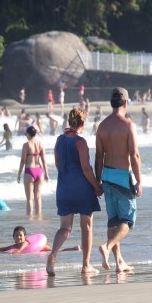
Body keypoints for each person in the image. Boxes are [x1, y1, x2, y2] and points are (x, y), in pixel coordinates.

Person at [47, 108, 102, 276]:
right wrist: (97, 186)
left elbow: (57, 164)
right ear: (82, 123)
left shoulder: (59, 140)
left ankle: (53, 255)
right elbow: (86, 169)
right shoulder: (81, 142)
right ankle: (86, 265)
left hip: (64, 188)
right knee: (86, 226)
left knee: (64, 228)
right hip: (82, 188)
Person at [95, 87, 143, 273]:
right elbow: (134, 155)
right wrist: (139, 181)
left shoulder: (102, 126)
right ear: (125, 103)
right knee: (128, 221)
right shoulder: (128, 125)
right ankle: (107, 247)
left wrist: (98, 181)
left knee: (113, 221)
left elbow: (99, 157)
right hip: (123, 177)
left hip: (106, 177)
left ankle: (119, 262)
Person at [17, 125, 49, 217]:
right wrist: (46, 173)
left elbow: (23, 160)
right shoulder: (40, 144)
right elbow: (44, 160)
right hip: (39, 171)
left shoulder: (26, 145)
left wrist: (19, 174)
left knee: (29, 199)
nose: (25, 135)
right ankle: (39, 217)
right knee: (38, 198)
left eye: (25, 134)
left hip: (29, 171)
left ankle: (29, 219)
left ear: (28, 134)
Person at [0, 226, 80, 254]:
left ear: (25, 237)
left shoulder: (26, 242)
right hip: (36, 248)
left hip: (37, 245)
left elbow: (25, 244)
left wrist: (19, 251)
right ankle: (74, 248)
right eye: (16, 235)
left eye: (20, 235)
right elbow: (6, 248)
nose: (19, 237)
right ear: (13, 237)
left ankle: (73, 248)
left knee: (55, 251)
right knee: (54, 250)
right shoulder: (15, 246)